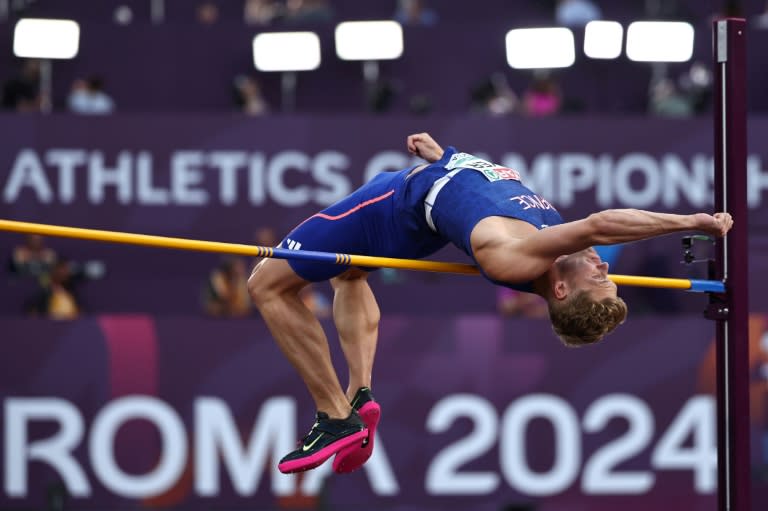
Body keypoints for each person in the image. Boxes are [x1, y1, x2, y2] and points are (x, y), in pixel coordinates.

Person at [247, 132, 734, 475]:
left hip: (394, 203)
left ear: (560, 290)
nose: (604, 268)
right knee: (349, 273)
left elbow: (600, 223)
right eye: (606, 274)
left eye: (598, 279)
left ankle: (333, 418)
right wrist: (445, 158)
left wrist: (694, 221)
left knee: (267, 284)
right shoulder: (551, 249)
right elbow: (484, 192)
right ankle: (359, 396)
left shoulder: (519, 258)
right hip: (428, 193)